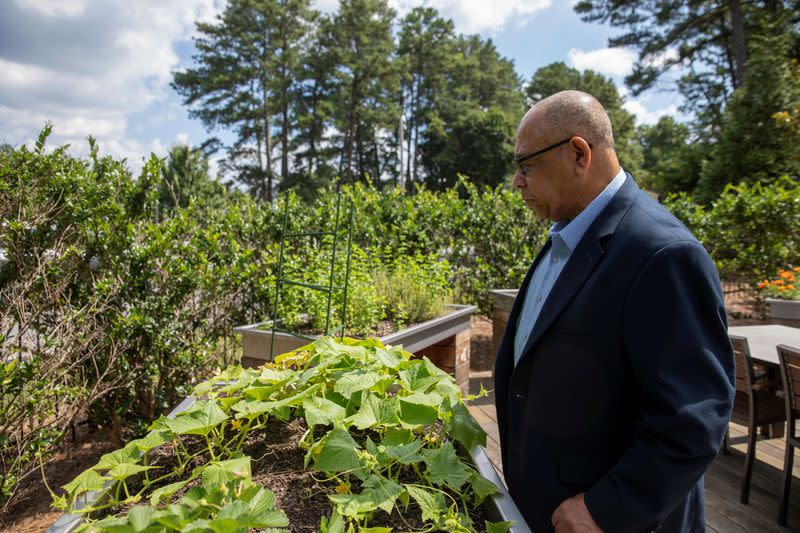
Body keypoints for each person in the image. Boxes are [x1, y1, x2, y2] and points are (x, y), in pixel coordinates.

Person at [493, 91, 735, 533]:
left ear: (578, 153)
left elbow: (693, 420)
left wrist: (607, 508)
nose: (517, 182)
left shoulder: (663, 253)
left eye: (525, 165)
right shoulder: (567, 234)